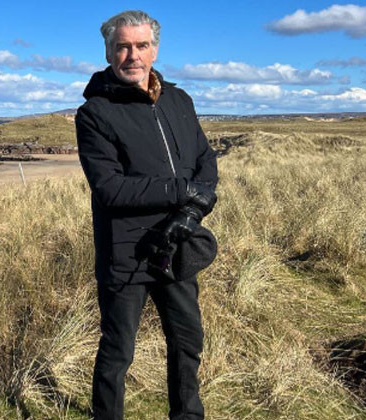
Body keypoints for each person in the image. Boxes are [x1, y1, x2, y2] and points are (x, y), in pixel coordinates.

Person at [75, 10, 219, 420]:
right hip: (125, 252)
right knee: (118, 352)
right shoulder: (95, 113)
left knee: (187, 341)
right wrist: (181, 191)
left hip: (177, 244)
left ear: (155, 50)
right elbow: (110, 188)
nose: (132, 55)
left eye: (141, 46)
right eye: (122, 47)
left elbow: (205, 161)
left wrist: (192, 210)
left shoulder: (179, 100)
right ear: (108, 52)